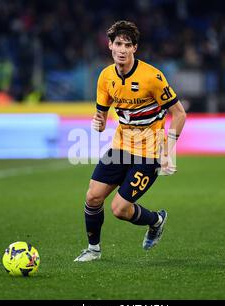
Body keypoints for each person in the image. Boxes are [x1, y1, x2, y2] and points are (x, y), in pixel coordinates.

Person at [74, 21, 186, 262]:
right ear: (110, 46)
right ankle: (93, 249)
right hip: (120, 148)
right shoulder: (105, 77)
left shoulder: (152, 77)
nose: (122, 49)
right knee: (92, 197)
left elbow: (179, 114)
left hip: (149, 153)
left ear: (135, 48)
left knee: (119, 209)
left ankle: (156, 220)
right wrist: (99, 123)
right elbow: (102, 118)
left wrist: (167, 151)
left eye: (127, 45)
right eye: (118, 44)